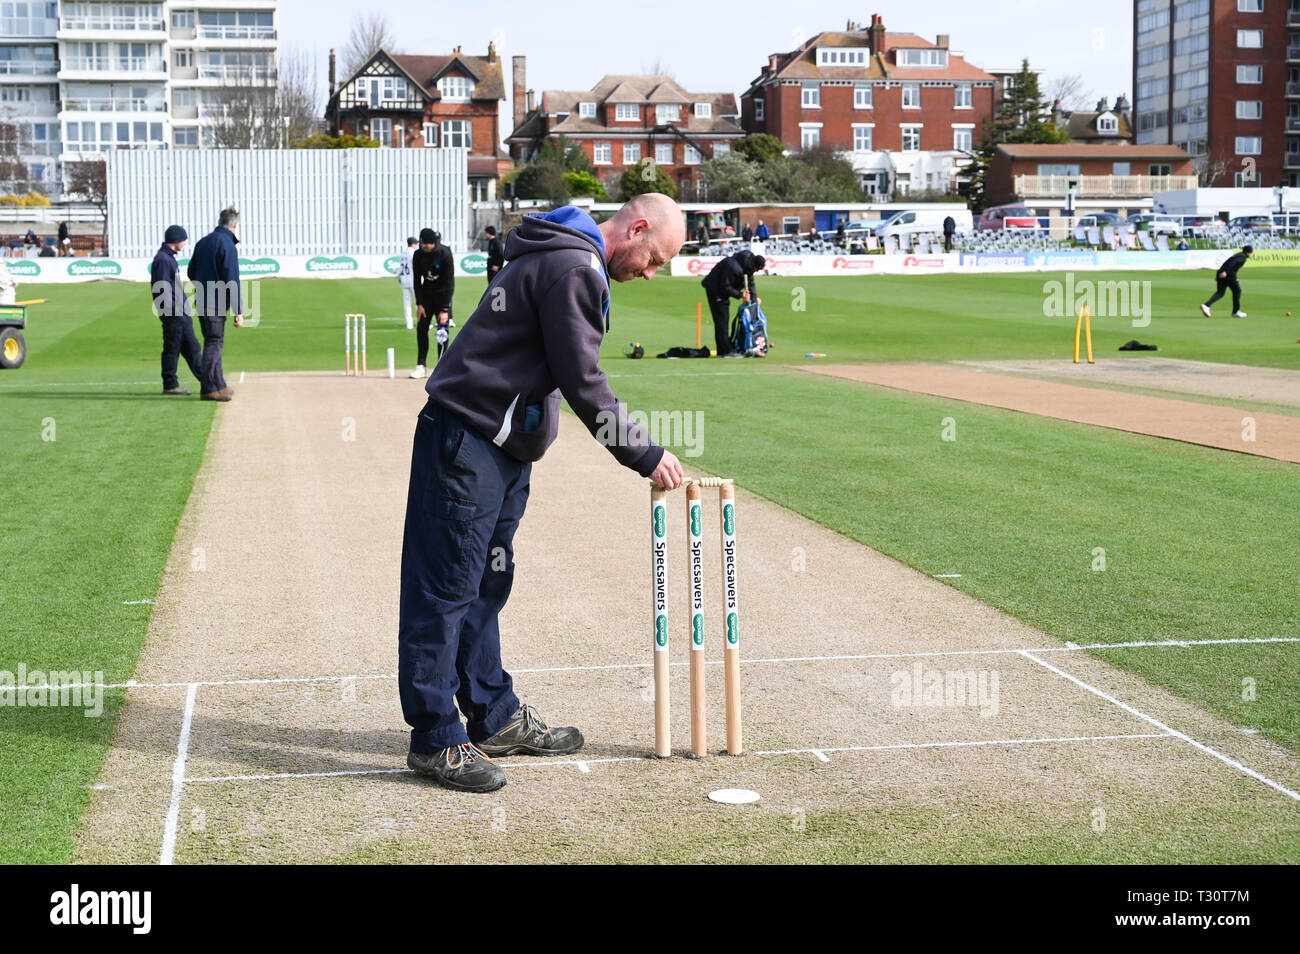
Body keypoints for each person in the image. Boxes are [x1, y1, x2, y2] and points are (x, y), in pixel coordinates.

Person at [398, 193, 686, 793]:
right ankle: (434, 738)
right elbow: (584, 382)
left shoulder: (565, 256)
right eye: (654, 258)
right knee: (445, 588)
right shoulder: (573, 268)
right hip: (466, 440)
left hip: (501, 448)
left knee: (486, 583)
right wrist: (646, 453)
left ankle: (492, 714)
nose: (649, 273)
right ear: (636, 229)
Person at [187, 207, 243, 402]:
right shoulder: (227, 245)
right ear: (234, 225)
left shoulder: (203, 242)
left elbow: (191, 272)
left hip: (202, 299)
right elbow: (232, 279)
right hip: (216, 302)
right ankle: (209, 388)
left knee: (213, 342)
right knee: (214, 343)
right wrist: (239, 310)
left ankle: (219, 385)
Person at [151, 225, 203, 396]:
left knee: (186, 348)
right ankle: (173, 384)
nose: (186, 243)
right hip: (175, 314)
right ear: (176, 240)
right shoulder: (163, 260)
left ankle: (206, 381)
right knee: (180, 348)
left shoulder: (167, 258)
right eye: (184, 239)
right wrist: (173, 311)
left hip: (178, 312)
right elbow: (161, 288)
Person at [700, 247, 765, 357]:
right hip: (715, 289)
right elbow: (724, 286)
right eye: (757, 269)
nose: (756, 272)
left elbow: (751, 282)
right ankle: (725, 351)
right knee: (722, 320)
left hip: (721, 289)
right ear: (754, 266)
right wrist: (740, 295)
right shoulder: (733, 267)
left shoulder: (748, 265)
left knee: (724, 318)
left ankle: (726, 347)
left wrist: (755, 298)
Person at [409, 228, 455, 378]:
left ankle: (442, 367)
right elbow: (416, 280)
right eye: (424, 243)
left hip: (443, 296)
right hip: (426, 297)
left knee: (442, 331)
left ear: (435, 243)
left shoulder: (445, 253)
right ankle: (421, 365)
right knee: (421, 329)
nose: (426, 246)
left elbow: (449, 283)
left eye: (429, 243)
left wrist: (445, 309)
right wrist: (419, 304)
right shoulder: (418, 255)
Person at [1200, 245, 1252, 318]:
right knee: (1237, 291)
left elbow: (1227, 263)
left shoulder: (1238, 255)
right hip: (1228, 274)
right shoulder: (1242, 257)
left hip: (1221, 272)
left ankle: (1206, 306)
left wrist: (1221, 273)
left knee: (1220, 292)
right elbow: (1232, 264)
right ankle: (1235, 312)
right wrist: (1225, 272)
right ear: (1248, 252)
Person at [397, 236, 416, 330]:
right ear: (413, 244)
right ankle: (423, 323)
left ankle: (409, 324)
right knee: (419, 303)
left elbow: (400, 268)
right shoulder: (413, 252)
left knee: (407, 303)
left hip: (404, 280)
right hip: (413, 280)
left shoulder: (403, 253)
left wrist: (399, 278)